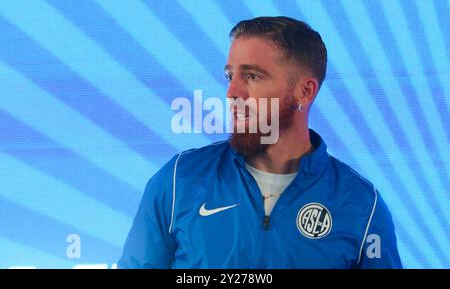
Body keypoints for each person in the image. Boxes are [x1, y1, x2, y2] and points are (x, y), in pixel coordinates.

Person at [118, 16, 402, 268]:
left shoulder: (362, 205)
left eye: (252, 76)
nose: (232, 92)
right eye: (230, 76)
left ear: (305, 91)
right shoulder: (180, 180)